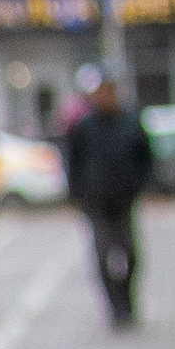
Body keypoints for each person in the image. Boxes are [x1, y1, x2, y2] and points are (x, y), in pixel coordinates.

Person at [62, 64, 154, 325]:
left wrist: (145, 184)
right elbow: (74, 162)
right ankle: (115, 307)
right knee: (103, 257)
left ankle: (128, 301)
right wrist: (75, 192)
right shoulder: (84, 128)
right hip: (96, 202)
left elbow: (145, 157)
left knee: (131, 254)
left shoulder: (131, 122)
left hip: (125, 200)